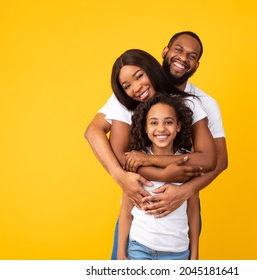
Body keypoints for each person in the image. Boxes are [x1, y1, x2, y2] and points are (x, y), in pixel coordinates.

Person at [85, 31, 228, 259]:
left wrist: (183, 189)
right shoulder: (128, 98)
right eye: (178, 49)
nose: (136, 86)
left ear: (197, 64)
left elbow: (217, 161)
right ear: (164, 52)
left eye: (192, 55)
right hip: (140, 209)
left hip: (180, 211)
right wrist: (124, 176)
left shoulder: (198, 103)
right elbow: (95, 133)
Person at [118, 93, 200, 260]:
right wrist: (120, 253)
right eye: (154, 123)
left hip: (177, 252)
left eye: (168, 122)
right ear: (145, 128)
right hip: (139, 247)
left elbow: (193, 211)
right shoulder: (135, 161)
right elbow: (126, 211)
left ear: (178, 126)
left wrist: (195, 255)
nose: (161, 128)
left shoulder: (187, 163)